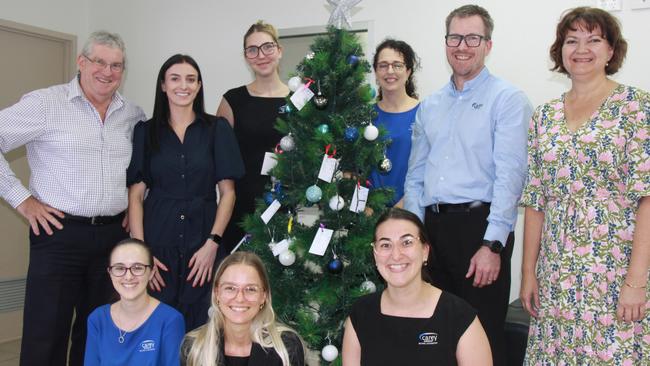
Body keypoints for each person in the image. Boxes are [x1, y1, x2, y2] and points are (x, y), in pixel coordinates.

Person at [0, 31, 146, 365]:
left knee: (99, 333)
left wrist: (134, 204)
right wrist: (22, 199)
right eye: (99, 62)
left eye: (116, 66)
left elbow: (144, 169)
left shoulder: (133, 115)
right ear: (81, 62)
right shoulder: (45, 104)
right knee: (45, 335)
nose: (107, 72)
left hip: (113, 238)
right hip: (58, 236)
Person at [403, 5, 533, 365]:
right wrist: (413, 235)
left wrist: (493, 243)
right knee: (433, 337)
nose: (463, 45)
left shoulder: (507, 100)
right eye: (455, 37)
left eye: (472, 37)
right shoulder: (429, 107)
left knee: (482, 338)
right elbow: (415, 177)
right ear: (445, 43)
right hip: (432, 229)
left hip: (479, 232)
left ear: (488, 44)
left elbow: (511, 176)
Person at [519, 7, 649, 364]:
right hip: (556, 274)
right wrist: (528, 273)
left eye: (594, 39)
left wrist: (636, 282)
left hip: (614, 272)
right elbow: (535, 200)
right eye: (571, 40)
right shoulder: (544, 116)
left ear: (611, 51)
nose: (581, 48)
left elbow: (647, 199)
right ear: (560, 50)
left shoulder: (637, 107)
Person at [127, 54, 244, 332]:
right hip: (158, 245)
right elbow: (135, 197)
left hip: (203, 246)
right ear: (163, 86)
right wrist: (142, 254)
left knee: (203, 330)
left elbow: (228, 193)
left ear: (199, 85)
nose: (184, 85)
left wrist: (213, 243)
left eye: (191, 79)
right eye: (175, 78)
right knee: (157, 329)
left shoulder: (217, 129)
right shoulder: (146, 131)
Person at [342, 208, 491, 365]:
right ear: (375, 254)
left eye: (407, 242)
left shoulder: (459, 316)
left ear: (425, 251)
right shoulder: (361, 314)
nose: (396, 255)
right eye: (386, 245)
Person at [217, 21, 290, 252]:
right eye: (252, 49)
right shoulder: (232, 101)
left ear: (279, 50)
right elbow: (219, 161)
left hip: (285, 207)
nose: (261, 55)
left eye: (267, 47)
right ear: (246, 56)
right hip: (240, 210)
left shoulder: (299, 101)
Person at [181, 251, 305, 366]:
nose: (240, 298)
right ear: (217, 293)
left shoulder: (286, 347)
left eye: (250, 289)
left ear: (263, 296)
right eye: (230, 288)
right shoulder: (194, 346)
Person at [84, 238, 185, 365]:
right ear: (110, 273)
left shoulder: (170, 320)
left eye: (137, 268)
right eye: (120, 268)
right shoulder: (97, 319)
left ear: (151, 272)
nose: (128, 276)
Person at [368, 39, 420, 207]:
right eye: (383, 65)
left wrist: (402, 208)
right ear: (376, 72)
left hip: (412, 211)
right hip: (369, 216)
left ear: (408, 71)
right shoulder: (365, 116)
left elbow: (430, 169)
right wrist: (367, 207)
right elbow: (354, 169)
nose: (390, 71)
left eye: (397, 65)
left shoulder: (425, 113)